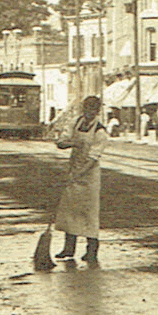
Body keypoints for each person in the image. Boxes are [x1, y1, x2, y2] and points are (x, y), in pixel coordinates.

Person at [53, 95, 110, 262]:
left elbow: (93, 159)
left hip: (89, 177)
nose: (89, 114)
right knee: (70, 210)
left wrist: (79, 174)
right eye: (86, 110)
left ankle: (91, 250)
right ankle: (68, 248)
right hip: (73, 171)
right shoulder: (75, 122)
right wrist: (71, 144)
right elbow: (61, 142)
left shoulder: (100, 132)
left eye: (92, 111)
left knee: (88, 213)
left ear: (97, 111)